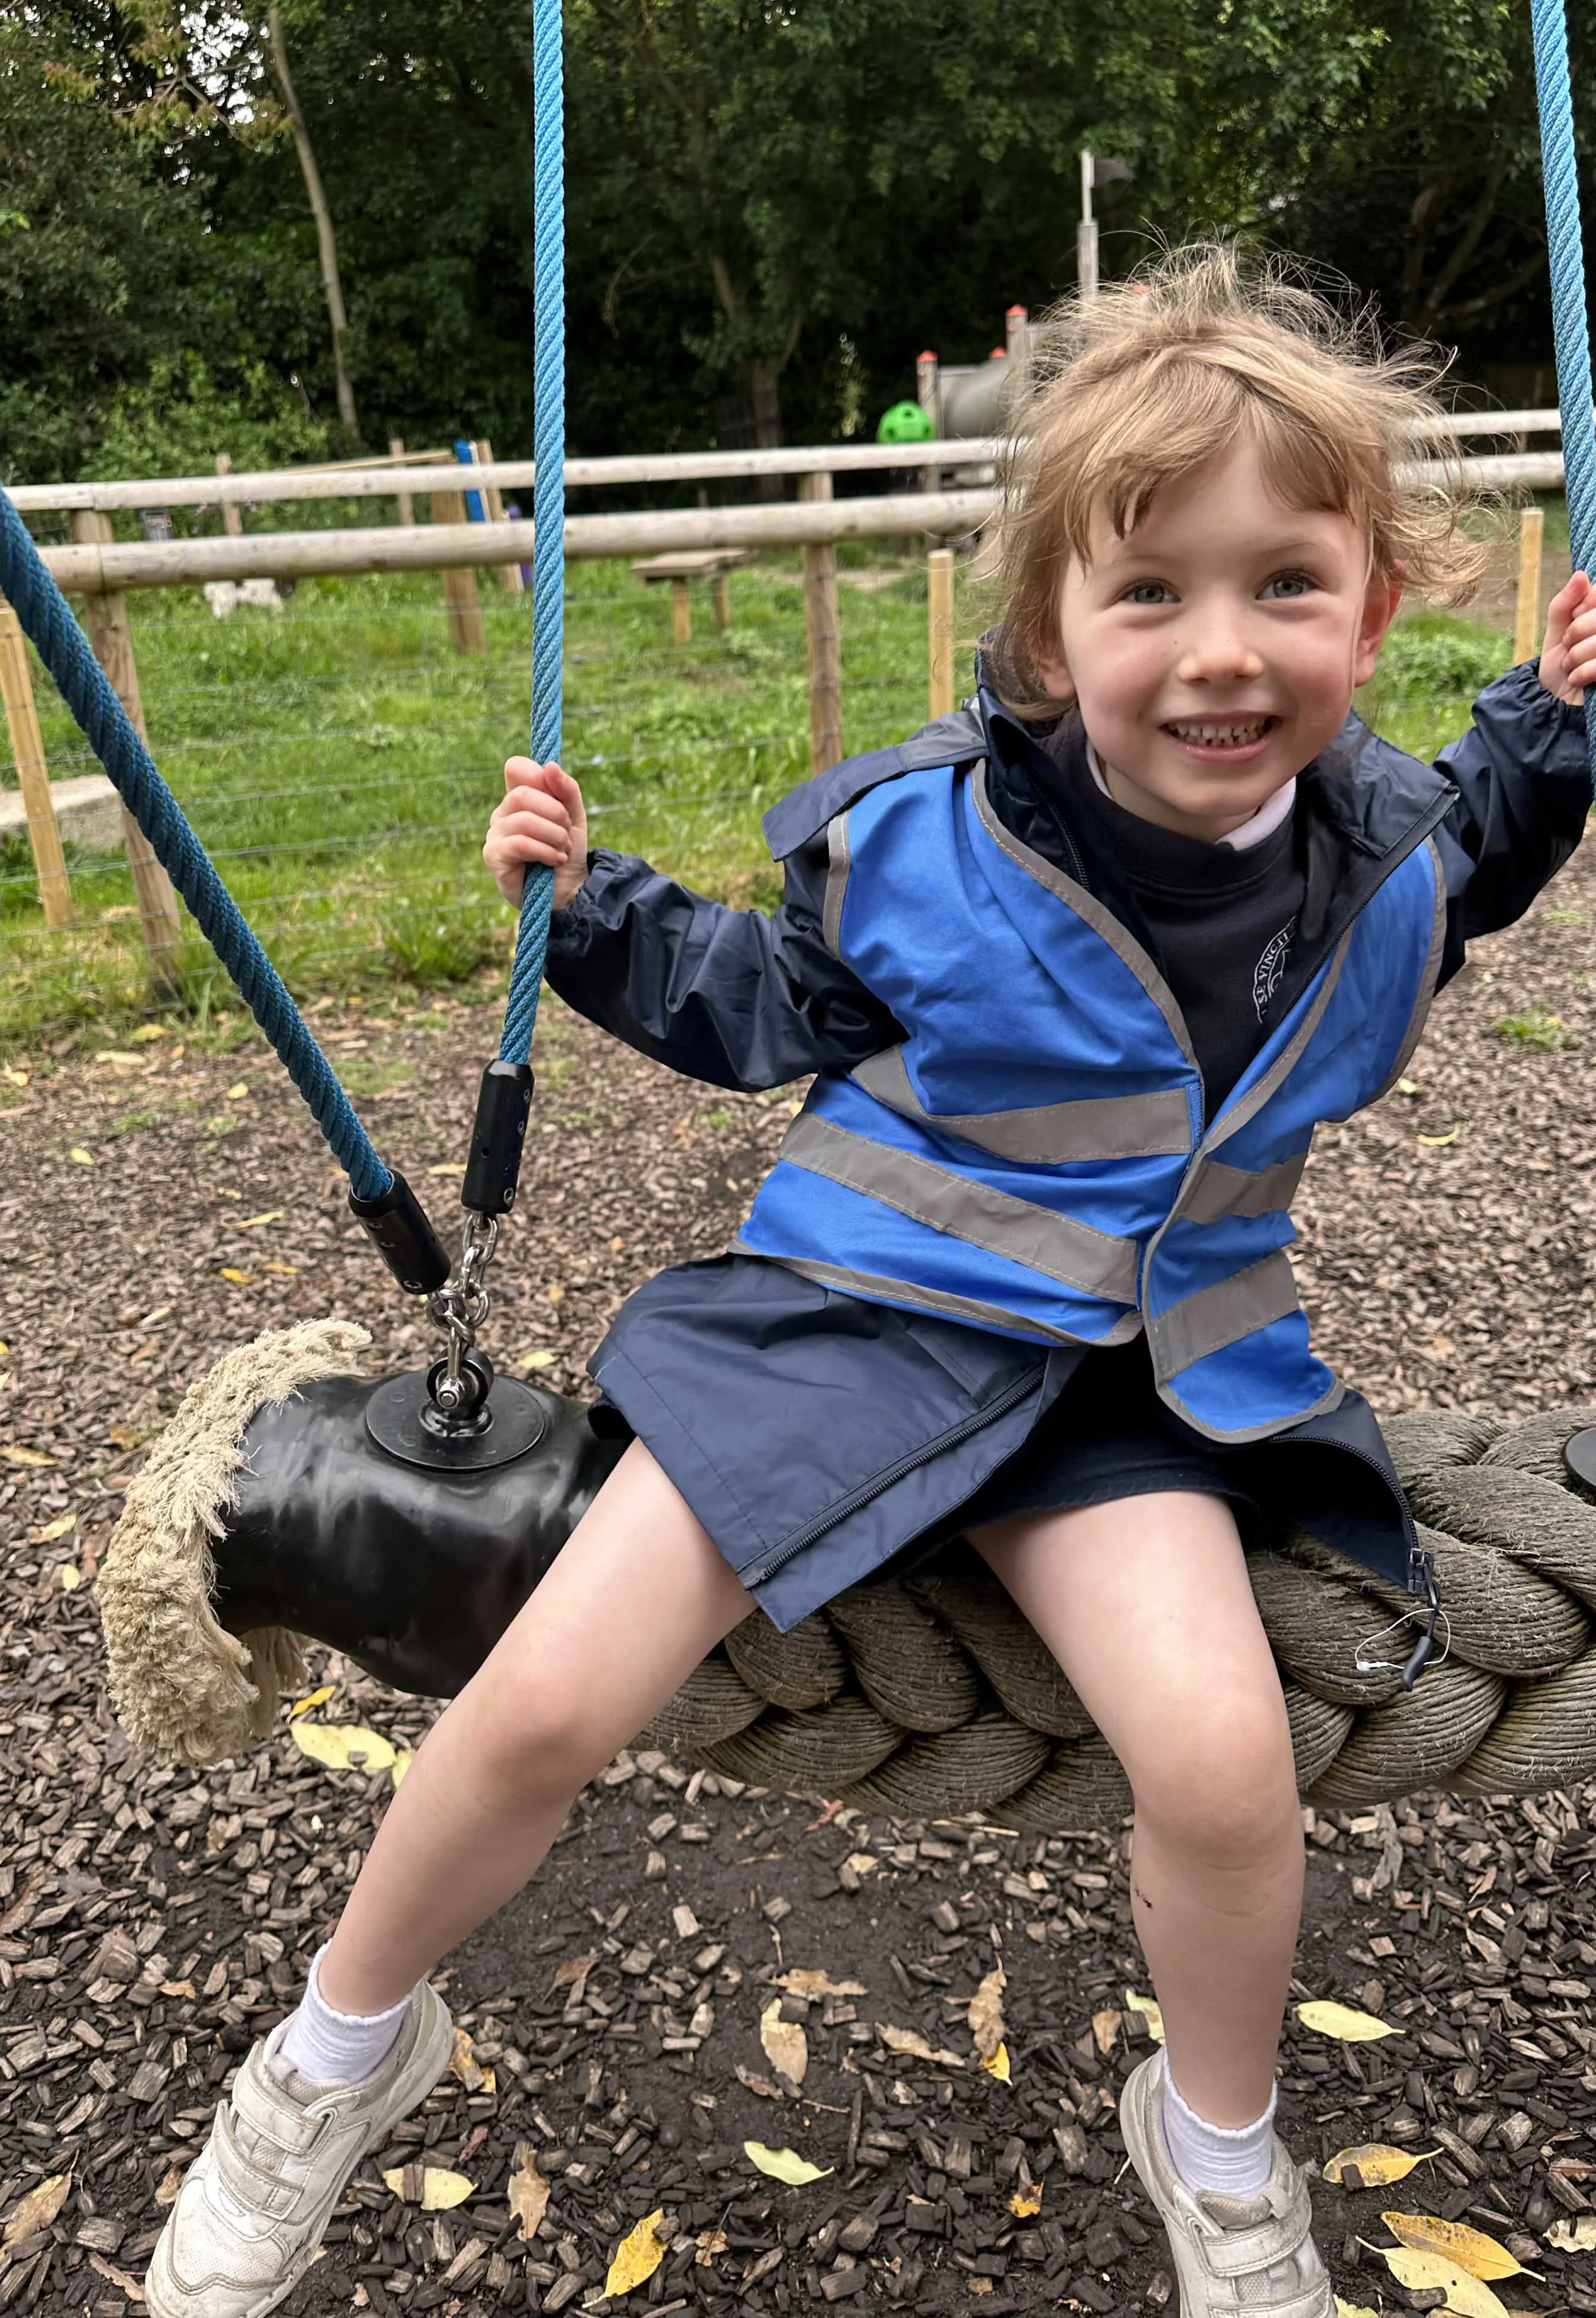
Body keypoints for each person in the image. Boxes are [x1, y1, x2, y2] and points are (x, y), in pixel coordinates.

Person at [145, 247, 1596, 2318]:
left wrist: (1554, 722)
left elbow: (1487, 851)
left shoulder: (1384, 853)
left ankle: (1218, 2150)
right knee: (544, 1690)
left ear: (1373, 609)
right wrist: (587, 911)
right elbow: (763, 1003)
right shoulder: (937, 843)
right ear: (1048, 631)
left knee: (1219, 1767)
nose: (1221, 650)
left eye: (1287, 584)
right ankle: (340, 2048)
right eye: (1150, 592)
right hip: (848, 1327)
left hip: (1129, 1379)